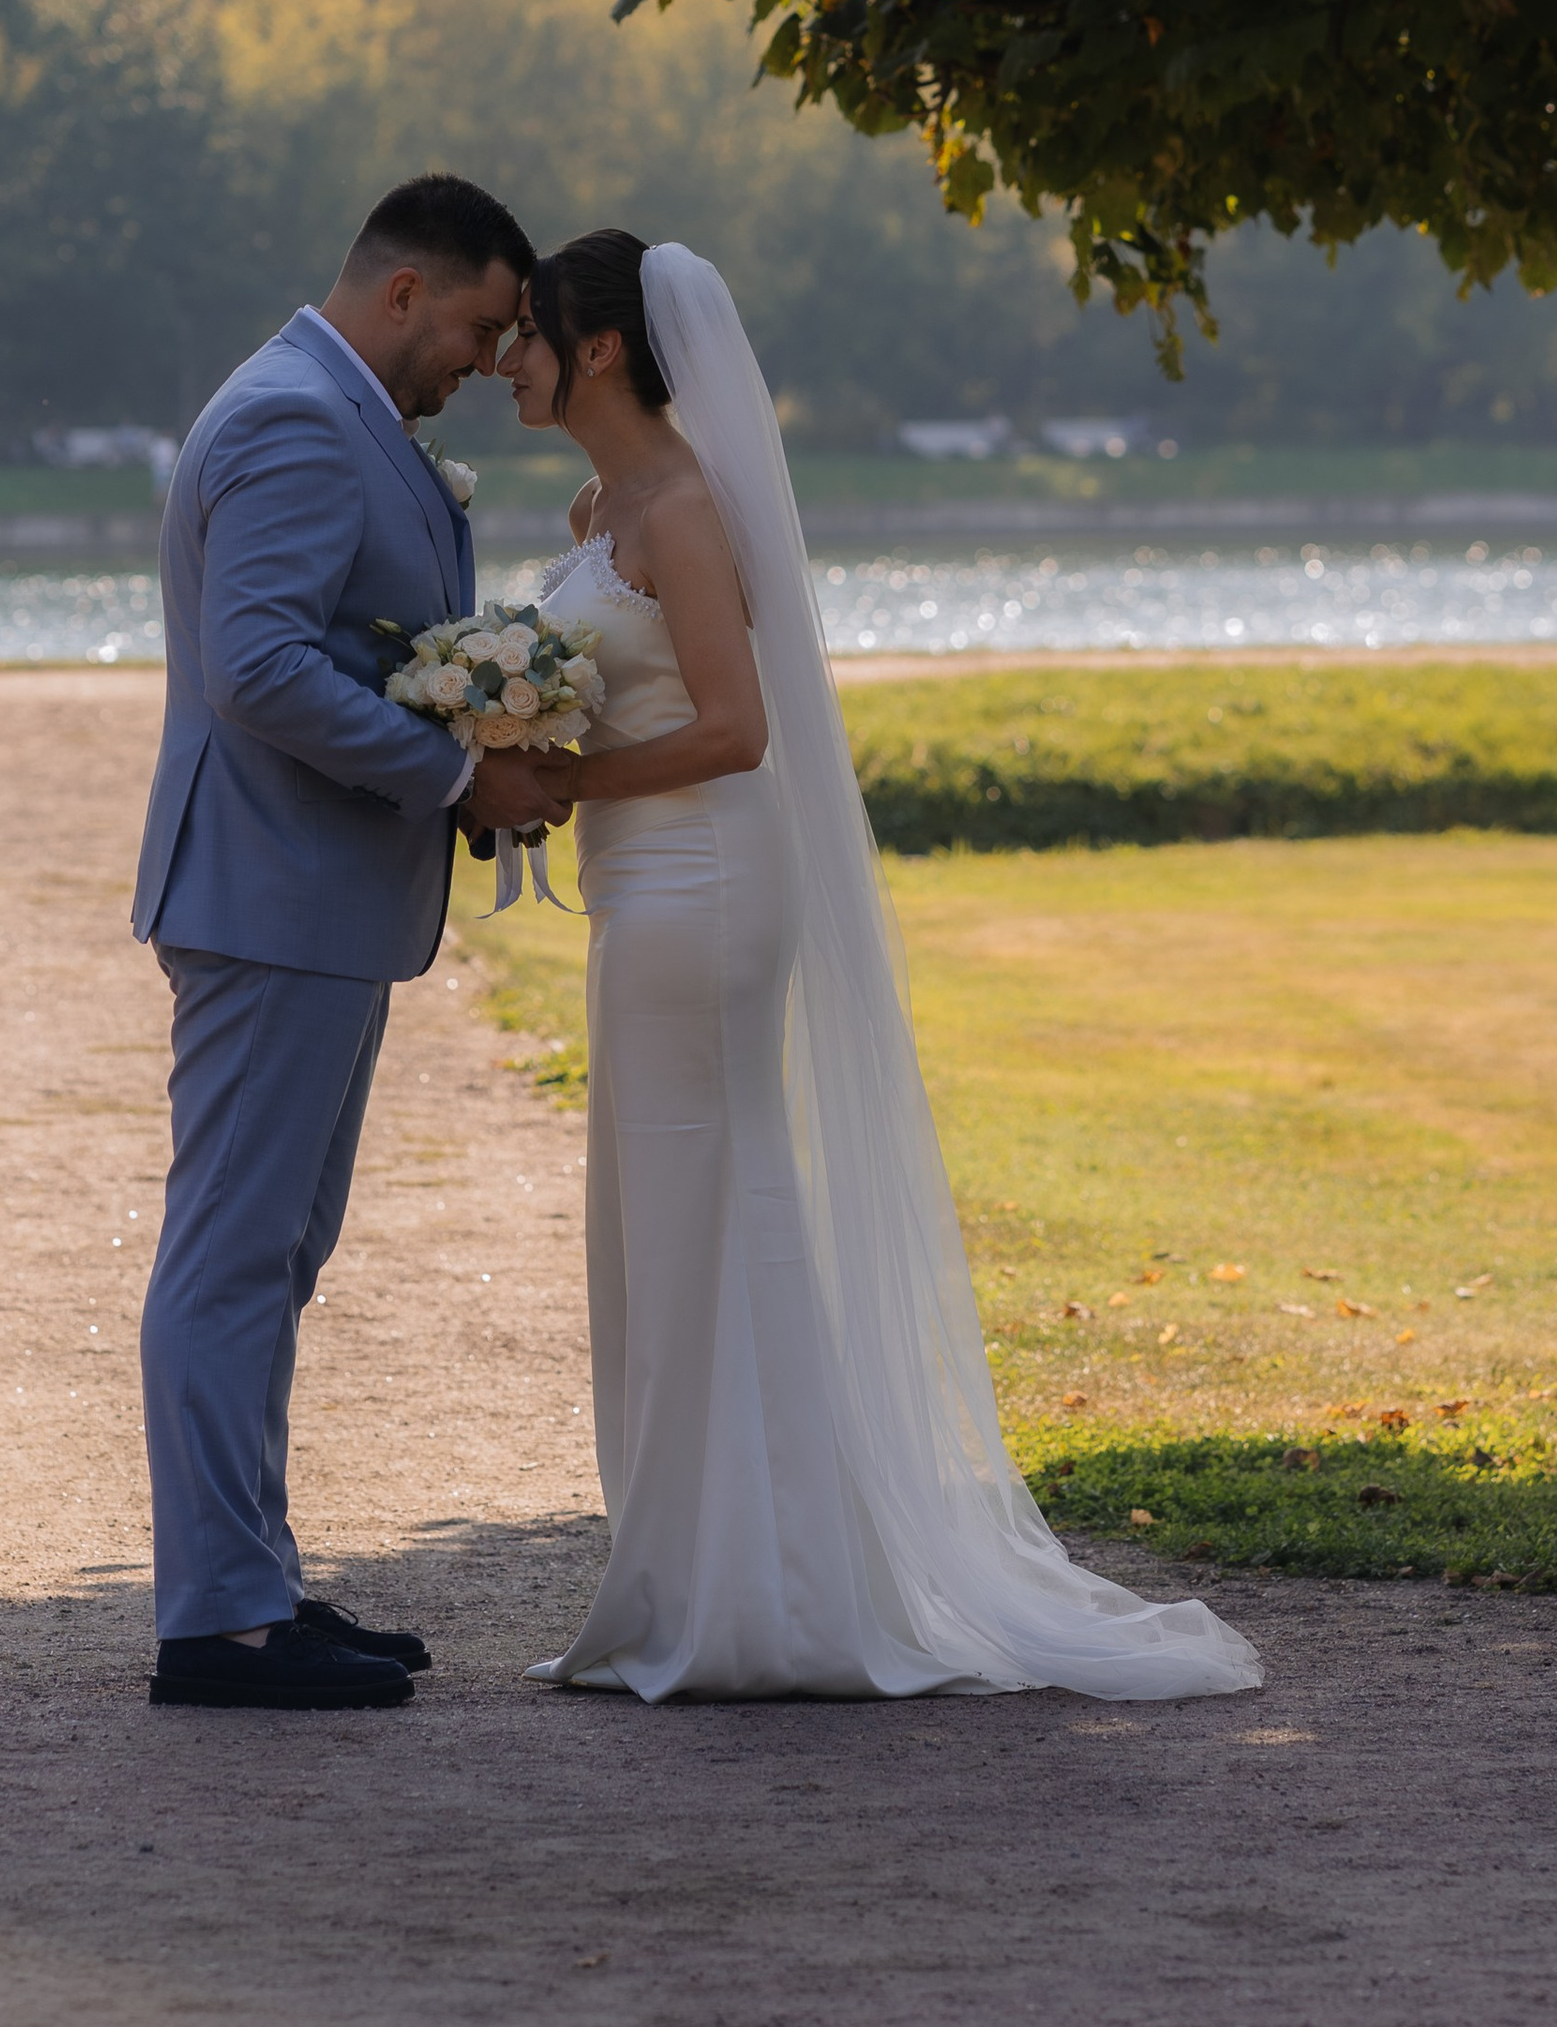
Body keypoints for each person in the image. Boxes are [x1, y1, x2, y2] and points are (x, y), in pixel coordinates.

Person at [504, 231, 1264, 1705]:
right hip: (635, 892)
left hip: (707, 879)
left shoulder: (683, 509)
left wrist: (560, 779)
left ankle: (776, 1595)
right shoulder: (597, 503)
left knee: (721, 1203)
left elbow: (737, 731)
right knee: (658, 1221)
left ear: (597, 347)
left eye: (526, 330)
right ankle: (680, 1576)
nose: (504, 357)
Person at [131, 173, 574, 1711]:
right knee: (232, 1257)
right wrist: (460, 768)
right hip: (270, 897)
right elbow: (255, 668)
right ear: (403, 293)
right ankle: (219, 1625)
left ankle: (252, 1590)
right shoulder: (300, 419)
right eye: (474, 326)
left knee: (273, 1257)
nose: (480, 359)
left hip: (306, 897)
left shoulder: (333, 409)